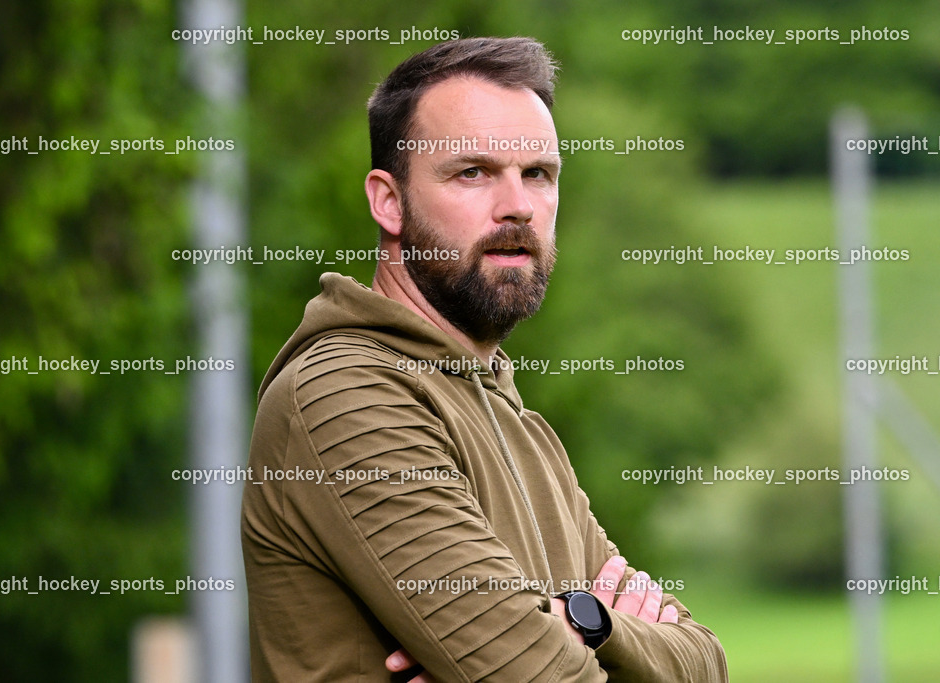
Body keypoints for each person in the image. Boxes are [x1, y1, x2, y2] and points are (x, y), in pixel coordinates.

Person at [242, 36, 728, 681]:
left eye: (538, 174)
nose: (518, 206)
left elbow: (708, 661)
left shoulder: (513, 419)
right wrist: (610, 647)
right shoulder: (344, 395)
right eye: (472, 172)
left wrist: (589, 621)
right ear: (388, 201)